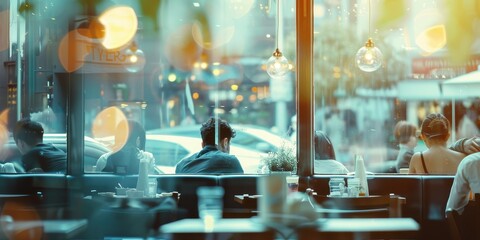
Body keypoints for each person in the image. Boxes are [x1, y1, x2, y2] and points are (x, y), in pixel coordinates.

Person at [175, 117, 244, 174]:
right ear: (225, 143)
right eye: (229, 144)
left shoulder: (181, 166)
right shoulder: (230, 162)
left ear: (202, 145)